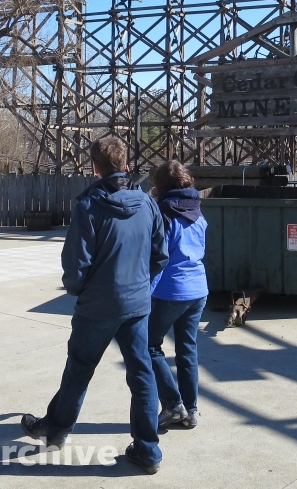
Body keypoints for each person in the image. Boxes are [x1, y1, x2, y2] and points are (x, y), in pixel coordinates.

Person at [20, 136, 168, 474]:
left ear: (95, 167)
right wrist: (140, 284)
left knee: (79, 370)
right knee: (142, 375)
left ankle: (57, 430)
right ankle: (148, 450)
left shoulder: (88, 206)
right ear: (126, 164)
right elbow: (161, 255)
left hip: (98, 306)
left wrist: (80, 290)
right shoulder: (147, 204)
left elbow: (76, 266)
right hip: (136, 305)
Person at [147, 160, 209, 430]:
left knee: (147, 345)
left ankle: (173, 405)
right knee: (187, 349)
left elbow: (158, 259)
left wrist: (145, 292)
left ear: (160, 185)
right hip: (198, 289)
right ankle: (191, 410)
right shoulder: (197, 212)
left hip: (171, 290)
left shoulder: (164, 214)